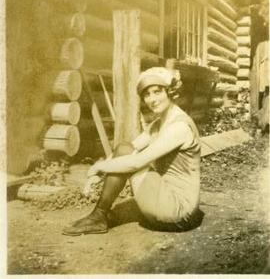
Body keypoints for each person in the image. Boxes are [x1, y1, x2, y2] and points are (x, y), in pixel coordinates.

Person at [62, 67, 201, 236]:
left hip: (179, 212)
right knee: (125, 148)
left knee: (129, 158)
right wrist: (99, 172)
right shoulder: (159, 124)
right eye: (147, 94)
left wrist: (99, 167)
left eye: (157, 92)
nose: (152, 99)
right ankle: (99, 215)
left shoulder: (179, 126)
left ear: (170, 92)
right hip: (166, 199)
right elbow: (127, 149)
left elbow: (136, 162)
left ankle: (99, 215)